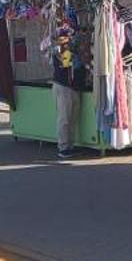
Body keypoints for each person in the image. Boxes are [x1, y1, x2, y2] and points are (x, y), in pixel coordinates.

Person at [49, 10, 83, 160]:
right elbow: (63, 63)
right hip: (63, 85)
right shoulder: (58, 49)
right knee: (64, 118)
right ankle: (63, 147)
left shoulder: (74, 49)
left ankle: (70, 146)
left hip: (73, 86)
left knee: (73, 118)